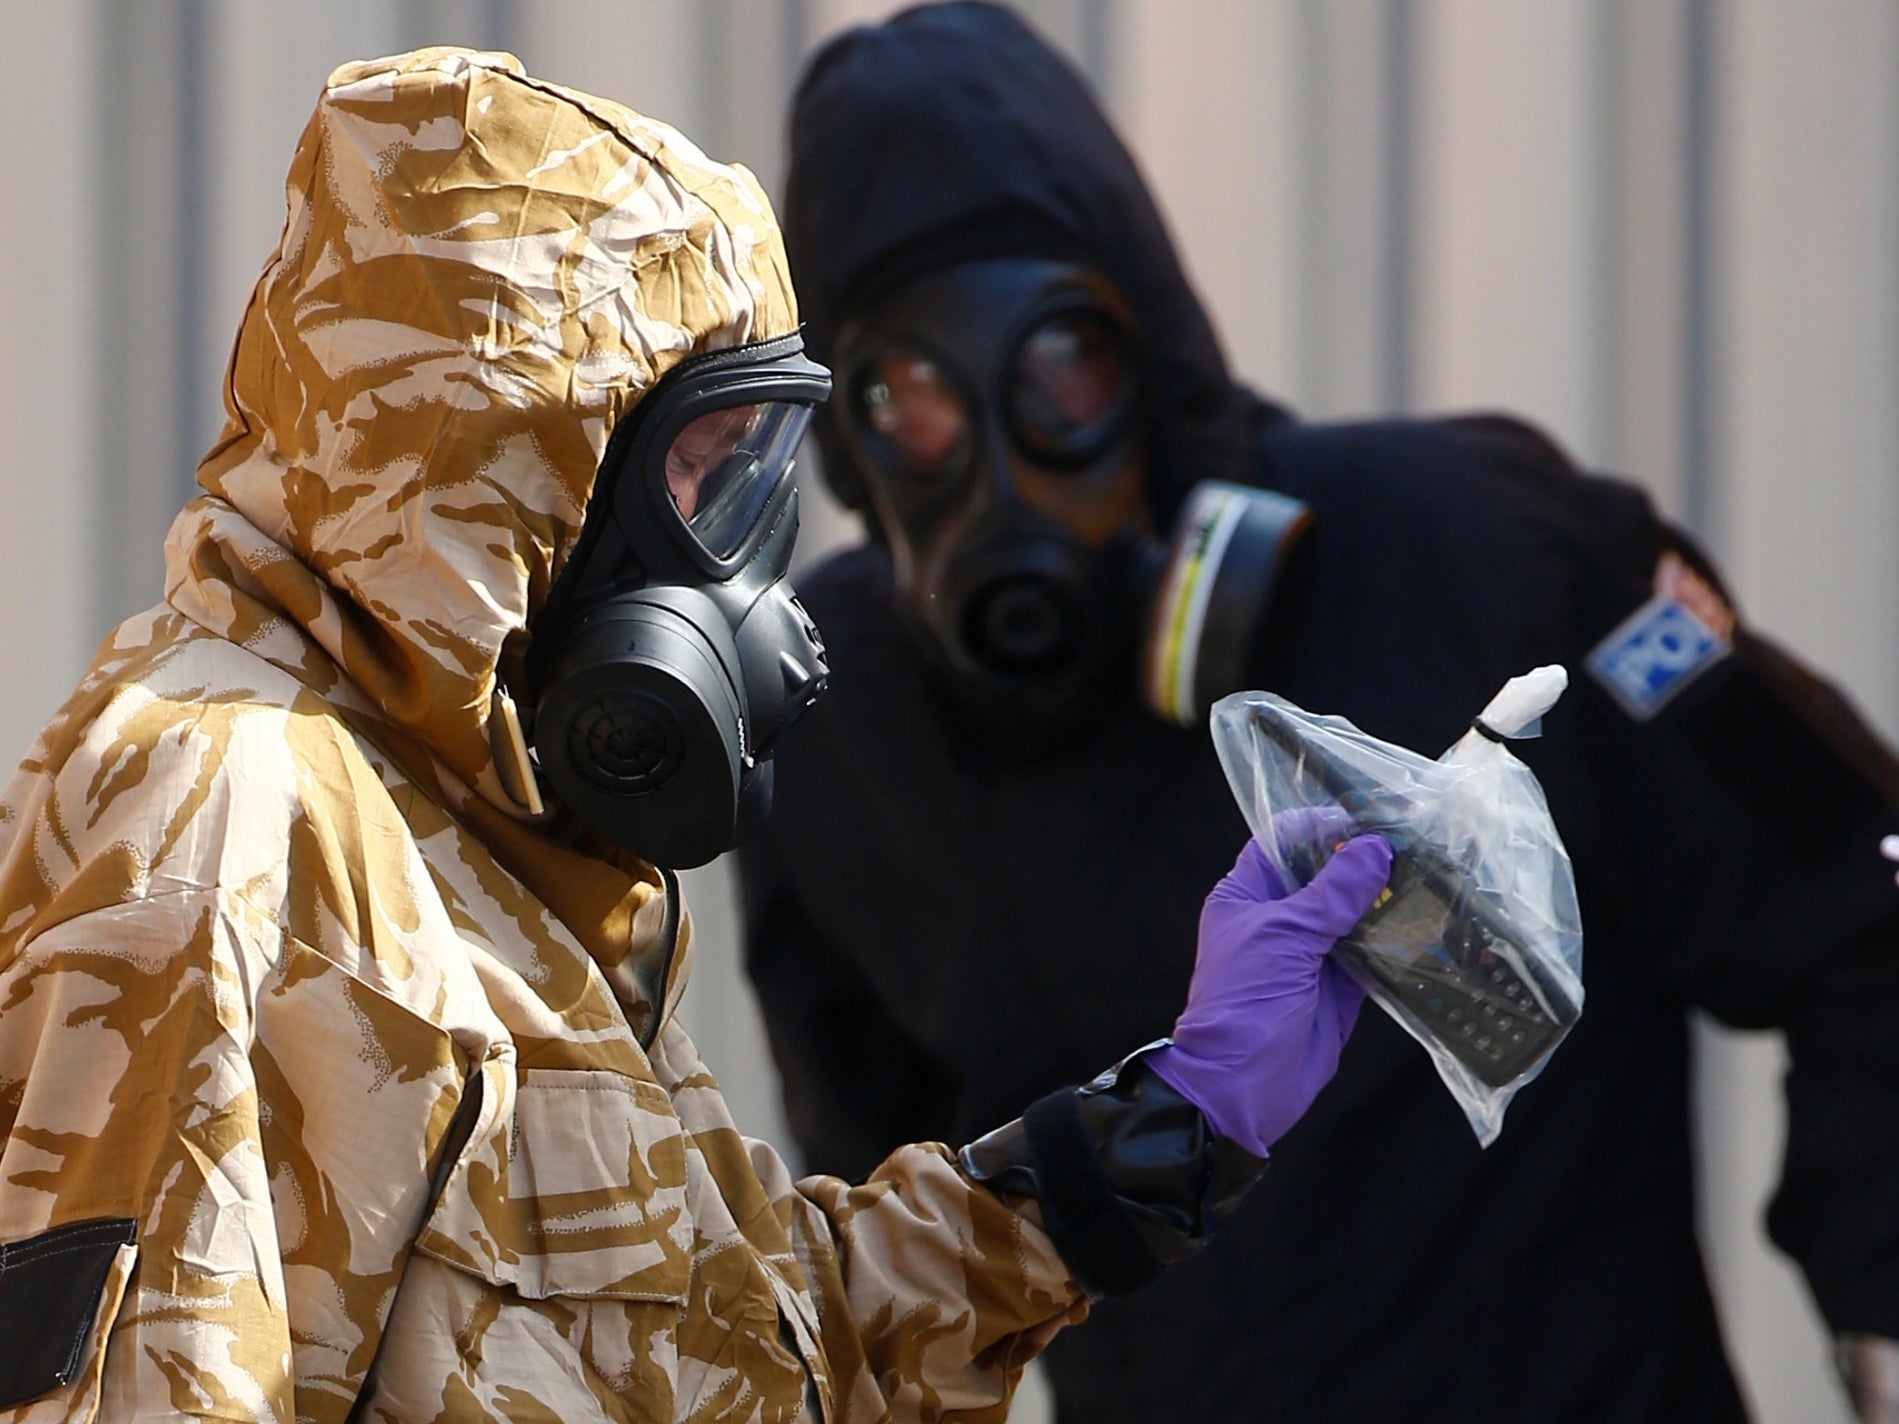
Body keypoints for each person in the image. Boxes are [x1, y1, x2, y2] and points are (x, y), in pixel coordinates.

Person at [0, 47, 1390, 1421]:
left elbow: (768, 1352)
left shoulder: (492, 856)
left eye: (753, 475)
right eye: (702, 474)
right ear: (507, 467)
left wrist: (1172, 1124)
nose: (745, 571)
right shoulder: (226, 812)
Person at [738, 5, 1899, 1422]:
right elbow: (874, 1268)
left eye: (1056, 370)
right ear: (847, 446)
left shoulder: (1494, 554)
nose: (994, 467)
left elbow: (1865, 902)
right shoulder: (840, 730)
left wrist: (1880, 1310)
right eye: (907, 399)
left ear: (1150, 354)